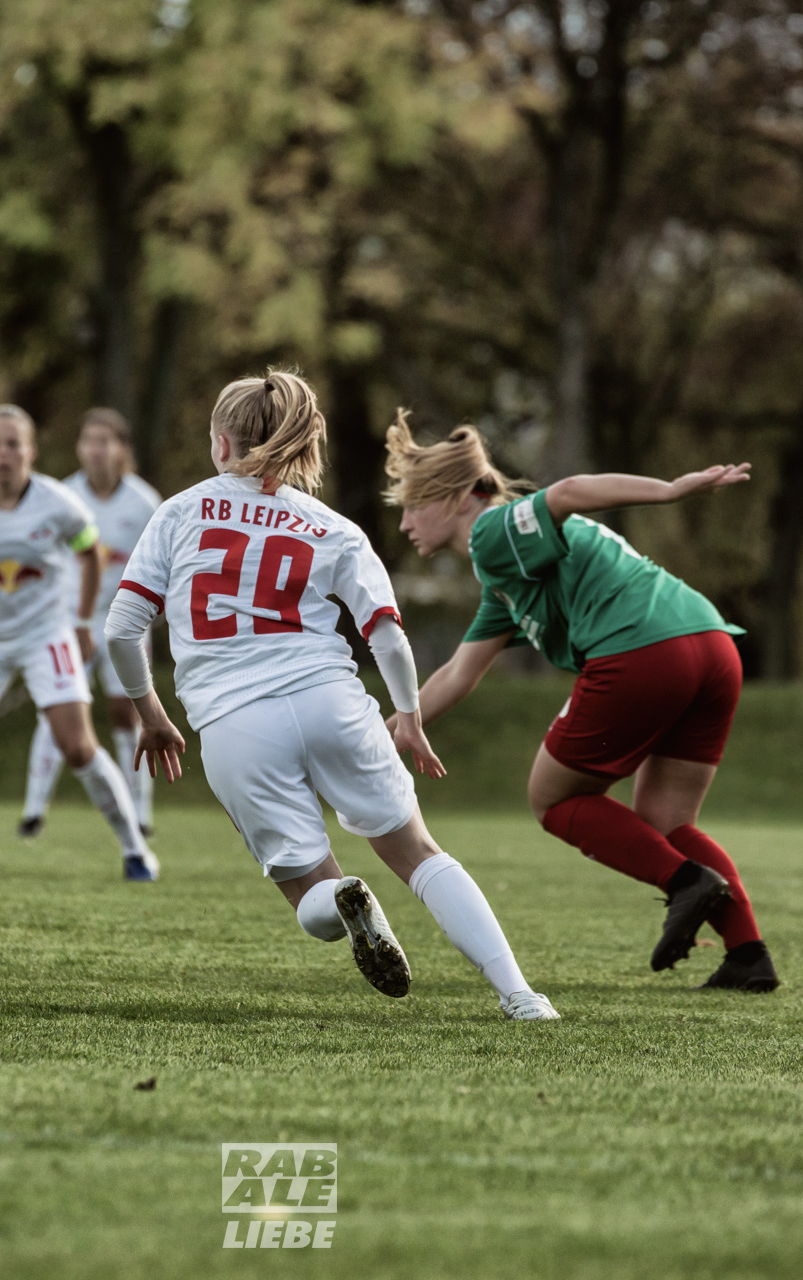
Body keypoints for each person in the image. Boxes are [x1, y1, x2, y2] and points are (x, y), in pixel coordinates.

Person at [105, 371, 559, 1020]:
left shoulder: (179, 512)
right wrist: (407, 714)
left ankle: (347, 893)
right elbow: (389, 637)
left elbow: (121, 630)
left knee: (311, 900)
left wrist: (151, 715)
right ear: (302, 448)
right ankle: (522, 995)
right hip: (333, 703)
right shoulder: (333, 527)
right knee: (420, 854)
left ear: (220, 446)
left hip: (236, 724)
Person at [385, 412, 777, 992]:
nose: (403, 522)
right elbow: (459, 673)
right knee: (668, 821)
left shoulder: (492, 535)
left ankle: (684, 882)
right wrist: (390, 728)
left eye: (413, 503)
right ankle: (747, 954)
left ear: (457, 498)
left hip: (643, 651)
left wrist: (671, 491)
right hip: (713, 647)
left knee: (552, 796)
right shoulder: (507, 581)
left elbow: (566, 492)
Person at [0, 404, 160, 881]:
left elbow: (89, 551)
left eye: (12, 444)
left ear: (30, 452)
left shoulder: (56, 501)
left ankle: (135, 849)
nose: (2, 454)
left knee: (78, 746)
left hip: (45, 634)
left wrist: (80, 622)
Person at [20, 409, 164, 839]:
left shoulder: (145, 502)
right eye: (88, 440)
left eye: (106, 440)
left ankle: (139, 812)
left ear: (122, 449)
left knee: (128, 713)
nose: (96, 450)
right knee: (57, 710)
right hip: (69, 621)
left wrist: (155, 611)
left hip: (126, 621)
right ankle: (33, 809)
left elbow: (161, 565)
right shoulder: (63, 495)